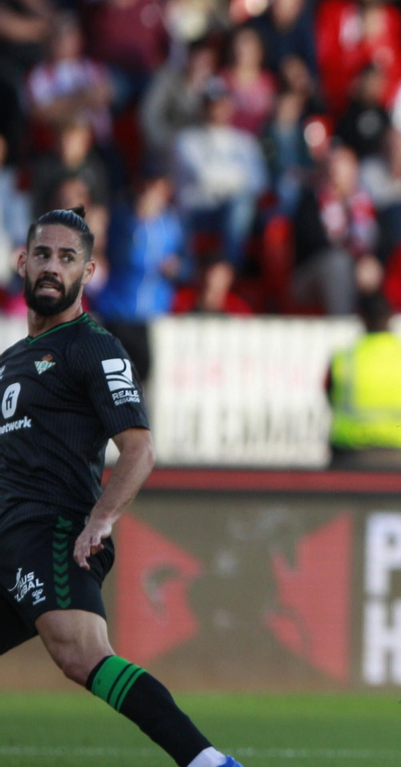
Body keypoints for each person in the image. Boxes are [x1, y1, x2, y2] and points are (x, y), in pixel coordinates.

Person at [0, 207, 244, 767]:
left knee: (80, 652)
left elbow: (139, 449)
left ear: (88, 271)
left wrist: (100, 520)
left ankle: (210, 763)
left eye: (67, 258)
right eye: (43, 254)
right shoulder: (11, 362)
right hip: (8, 540)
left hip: (54, 529)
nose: (52, 267)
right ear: (22, 261)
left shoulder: (93, 347)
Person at [324, 293, 401, 470]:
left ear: (361, 318)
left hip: (352, 457)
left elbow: (330, 400)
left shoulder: (343, 359)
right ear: (392, 317)